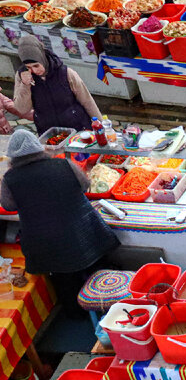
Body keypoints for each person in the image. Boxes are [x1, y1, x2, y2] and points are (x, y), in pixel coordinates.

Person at [0, 128, 118, 312]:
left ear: (13, 157)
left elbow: (8, 206)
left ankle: (75, 312)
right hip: (84, 231)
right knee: (98, 272)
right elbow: (85, 185)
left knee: (65, 281)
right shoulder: (62, 164)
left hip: (46, 243)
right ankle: (111, 303)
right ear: (39, 149)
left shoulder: (10, 178)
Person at [13, 35, 100, 134]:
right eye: (28, 67)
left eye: (36, 65)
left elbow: (87, 101)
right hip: (49, 132)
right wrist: (25, 85)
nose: (34, 71)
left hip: (77, 129)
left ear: (42, 59)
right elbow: (22, 109)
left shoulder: (66, 73)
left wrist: (101, 125)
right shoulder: (22, 76)